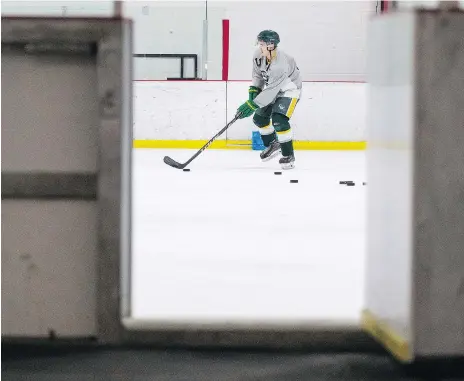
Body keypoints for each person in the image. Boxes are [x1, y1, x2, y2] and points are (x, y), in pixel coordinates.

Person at [236, 30, 302, 169]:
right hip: (272, 89)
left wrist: (251, 105)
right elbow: (258, 76)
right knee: (259, 119)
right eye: (259, 44)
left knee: (279, 120)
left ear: (271, 45)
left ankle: (288, 155)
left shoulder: (281, 64)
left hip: (289, 91)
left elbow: (272, 90)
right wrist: (254, 91)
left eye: (262, 44)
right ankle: (273, 144)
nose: (259, 47)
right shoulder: (258, 55)